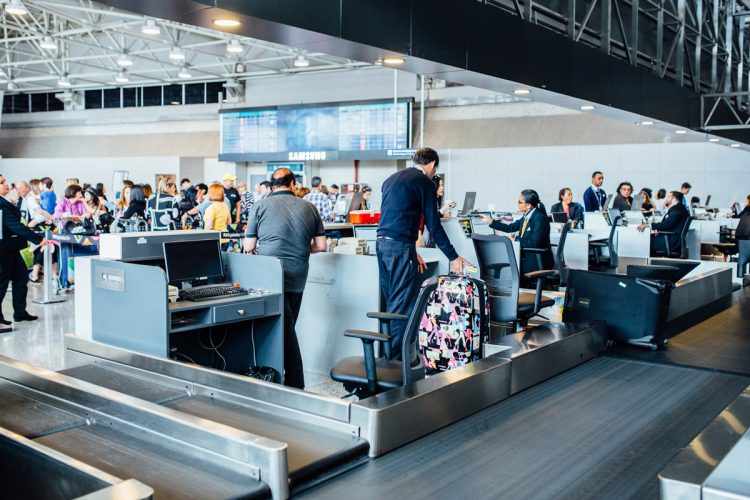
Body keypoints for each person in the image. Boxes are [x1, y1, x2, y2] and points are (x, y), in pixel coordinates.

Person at [378, 147, 472, 356]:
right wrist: (453, 257)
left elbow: (395, 216)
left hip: (383, 245)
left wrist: (411, 249)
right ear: (431, 165)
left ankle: (386, 357)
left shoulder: (391, 179)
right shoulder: (425, 183)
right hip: (400, 247)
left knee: (391, 299)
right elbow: (434, 225)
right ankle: (396, 362)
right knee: (401, 304)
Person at [243, 168, 327, 389]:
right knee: (287, 327)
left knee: (282, 331)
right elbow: (321, 246)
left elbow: (248, 246)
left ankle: (293, 384)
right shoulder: (309, 207)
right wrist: (299, 247)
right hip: (298, 276)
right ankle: (287, 381)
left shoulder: (260, 206)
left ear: (272, 185)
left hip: (269, 276)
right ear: (292, 184)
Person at [481, 189, 553, 282]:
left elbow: (535, 243)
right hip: (526, 255)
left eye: (520, 202)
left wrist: (516, 239)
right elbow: (510, 228)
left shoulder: (539, 218)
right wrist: (491, 222)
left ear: (528, 205)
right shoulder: (526, 216)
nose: (518, 204)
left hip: (536, 259)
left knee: (509, 267)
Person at [0, 175, 43, 324]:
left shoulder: (6, 202)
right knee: (2, 283)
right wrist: (38, 239)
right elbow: (15, 226)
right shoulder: (1, 204)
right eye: (2, 183)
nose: (6, 184)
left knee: (20, 279)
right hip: (3, 251)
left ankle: (20, 312)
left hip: (11, 249)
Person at [638, 191, 690, 256]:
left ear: (673, 198)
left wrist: (648, 225)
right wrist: (659, 230)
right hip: (672, 238)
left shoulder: (676, 210)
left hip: (670, 240)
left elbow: (666, 225)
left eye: (668, 197)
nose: (666, 199)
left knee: (643, 239)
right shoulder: (680, 208)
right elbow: (668, 224)